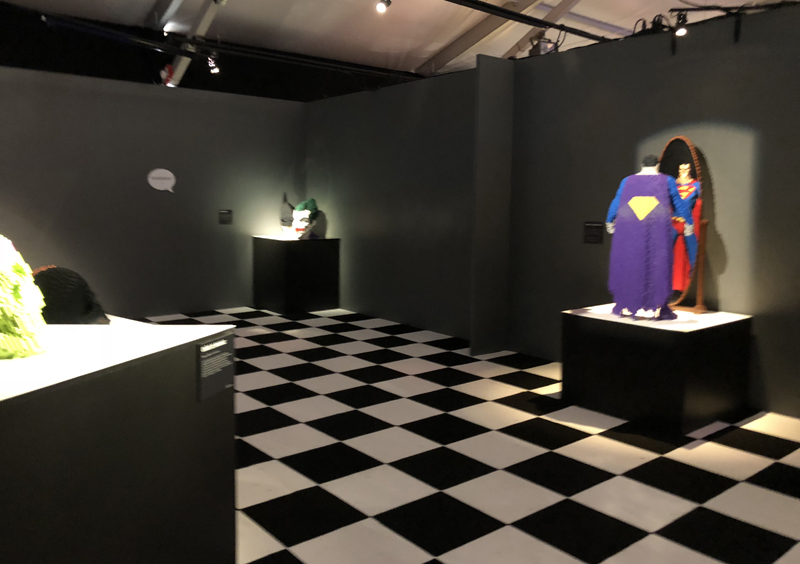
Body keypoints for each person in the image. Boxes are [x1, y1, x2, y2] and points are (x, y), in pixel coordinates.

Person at [605, 155, 696, 319]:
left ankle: (626, 303)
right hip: (657, 228)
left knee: (629, 262)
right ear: (657, 166)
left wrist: (609, 221)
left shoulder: (627, 181)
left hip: (630, 227)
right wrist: (689, 223)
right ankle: (658, 305)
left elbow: (617, 201)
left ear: (642, 165)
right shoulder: (667, 180)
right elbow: (678, 203)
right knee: (657, 264)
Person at [671, 163, 701, 292]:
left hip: (687, 222)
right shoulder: (672, 185)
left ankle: (693, 279)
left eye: (686, 168)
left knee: (693, 252)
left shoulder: (696, 185)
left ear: (690, 170)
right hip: (673, 222)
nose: (684, 171)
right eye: (681, 168)